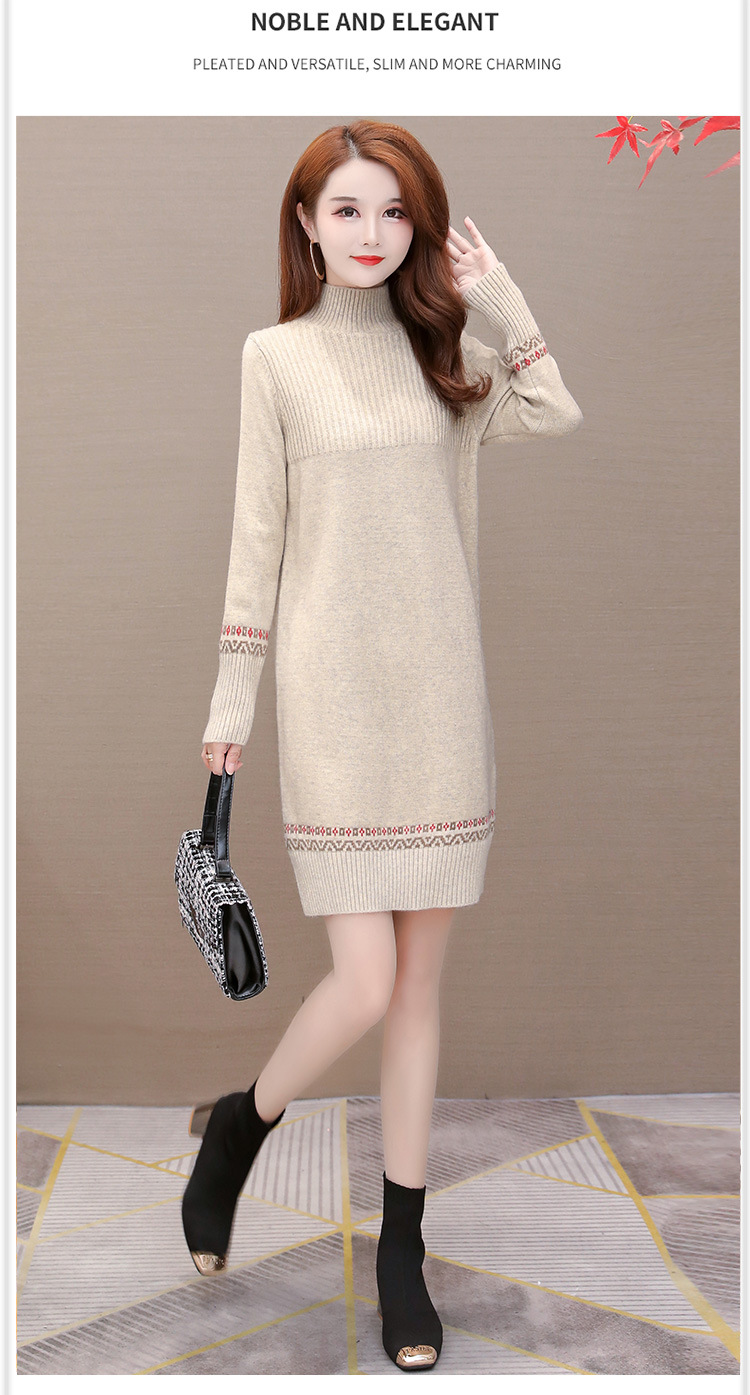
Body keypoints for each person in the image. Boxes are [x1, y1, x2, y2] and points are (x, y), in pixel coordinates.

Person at [181, 119, 583, 1372]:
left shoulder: (446, 352)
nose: (372, 234)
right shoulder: (275, 359)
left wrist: (496, 294)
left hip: (441, 704)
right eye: (348, 209)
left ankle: (400, 1249)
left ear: (424, 227)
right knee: (361, 982)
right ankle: (243, 1128)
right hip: (336, 708)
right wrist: (231, 707)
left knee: (415, 991)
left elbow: (555, 408)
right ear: (306, 223)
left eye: (396, 212)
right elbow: (256, 538)